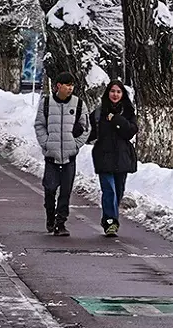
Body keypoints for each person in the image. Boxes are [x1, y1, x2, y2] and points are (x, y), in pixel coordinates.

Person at [34, 71, 89, 237]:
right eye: (67, 85)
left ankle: (61, 223)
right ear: (59, 86)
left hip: (69, 157)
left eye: (72, 85)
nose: (70, 88)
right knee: (50, 189)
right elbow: (39, 125)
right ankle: (50, 216)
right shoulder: (46, 103)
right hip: (51, 157)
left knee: (65, 192)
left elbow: (86, 127)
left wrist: (76, 144)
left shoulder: (79, 104)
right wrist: (46, 143)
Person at [88, 80, 138, 237]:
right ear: (107, 93)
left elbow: (130, 132)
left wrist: (116, 119)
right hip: (103, 157)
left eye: (118, 91)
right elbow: (89, 132)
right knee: (109, 190)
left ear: (122, 94)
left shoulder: (128, 112)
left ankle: (110, 218)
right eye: (112, 91)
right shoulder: (98, 113)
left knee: (119, 191)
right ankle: (110, 222)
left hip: (122, 158)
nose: (115, 94)